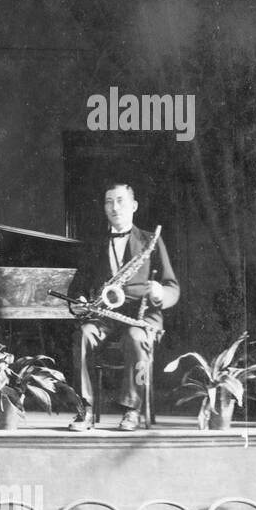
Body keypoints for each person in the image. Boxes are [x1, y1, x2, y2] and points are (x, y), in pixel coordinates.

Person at [66, 182, 178, 432]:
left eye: (120, 201)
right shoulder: (96, 243)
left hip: (142, 315)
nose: (114, 207)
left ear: (134, 206)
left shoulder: (151, 241)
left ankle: (132, 410)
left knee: (136, 338)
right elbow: (77, 288)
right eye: (108, 201)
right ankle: (84, 409)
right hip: (106, 315)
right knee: (84, 335)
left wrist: (160, 292)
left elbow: (172, 287)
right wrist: (81, 302)